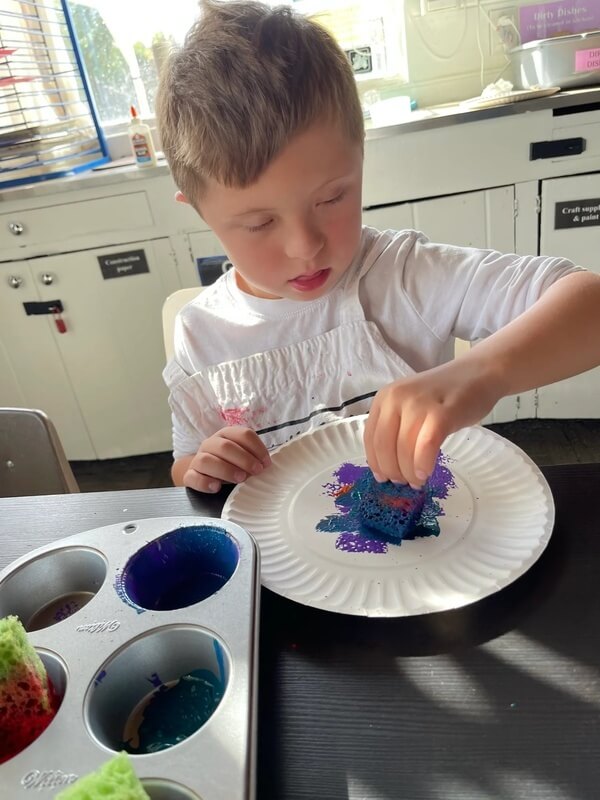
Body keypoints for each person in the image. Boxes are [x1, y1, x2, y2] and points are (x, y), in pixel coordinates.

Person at [157, 0, 600, 494]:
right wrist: (203, 467)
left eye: (332, 198)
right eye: (259, 223)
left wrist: (479, 374)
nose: (306, 246)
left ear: (361, 156)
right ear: (199, 210)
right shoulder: (200, 335)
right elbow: (186, 461)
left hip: (431, 540)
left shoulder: (403, 278)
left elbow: (590, 304)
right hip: (289, 563)